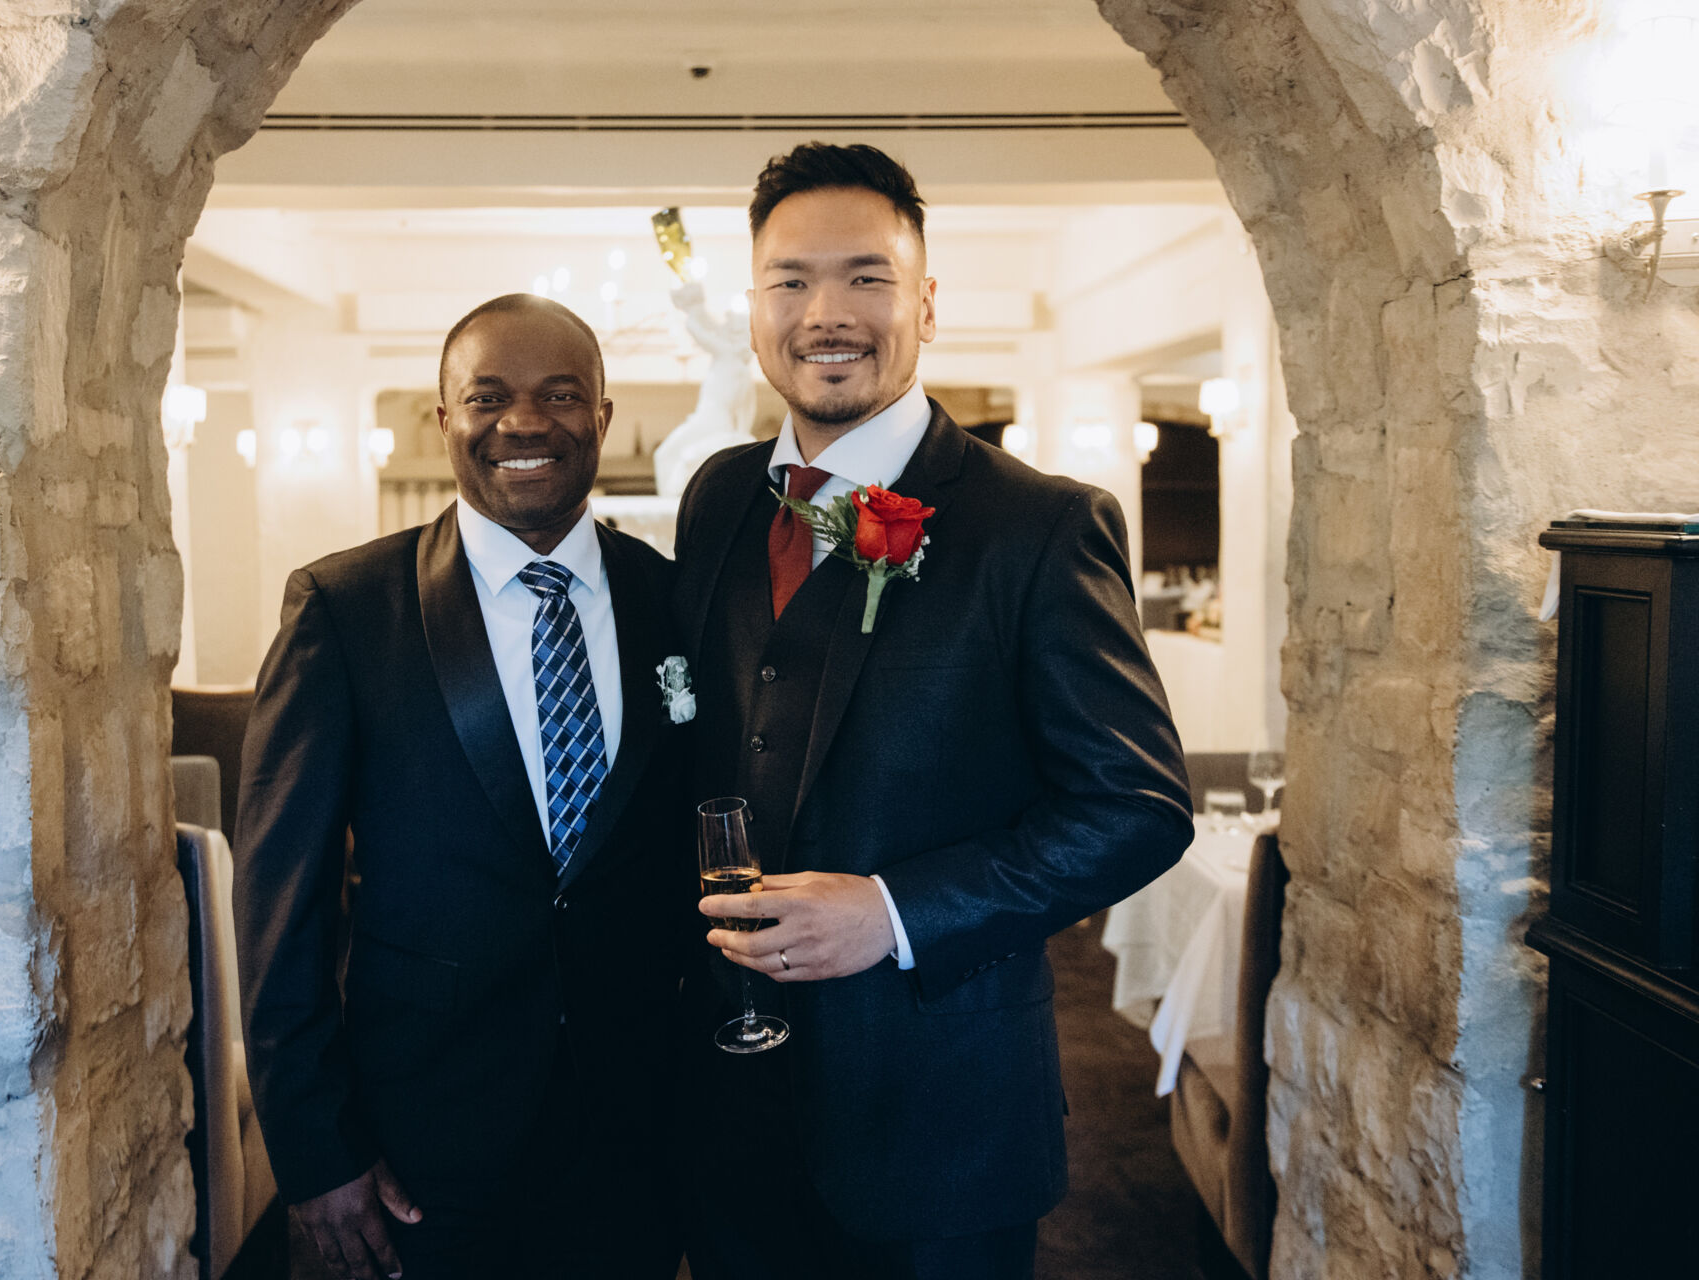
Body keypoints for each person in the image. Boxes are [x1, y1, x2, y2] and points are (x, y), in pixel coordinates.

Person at [671, 142, 1195, 1280]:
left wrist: (893, 910)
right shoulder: (716, 498)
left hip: (940, 1123)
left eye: (867, 277)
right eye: (791, 280)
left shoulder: (1040, 526)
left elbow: (1139, 807)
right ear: (754, 307)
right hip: (729, 1106)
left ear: (926, 303)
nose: (827, 313)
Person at [235, 294, 687, 1280]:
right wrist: (314, 1148)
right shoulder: (345, 608)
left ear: (602, 416)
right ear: (444, 419)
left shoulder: (674, 599)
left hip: (637, 1132)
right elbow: (281, 902)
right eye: (488, 397)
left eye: (560, 394)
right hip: (420, 1141)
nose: (524, 421)